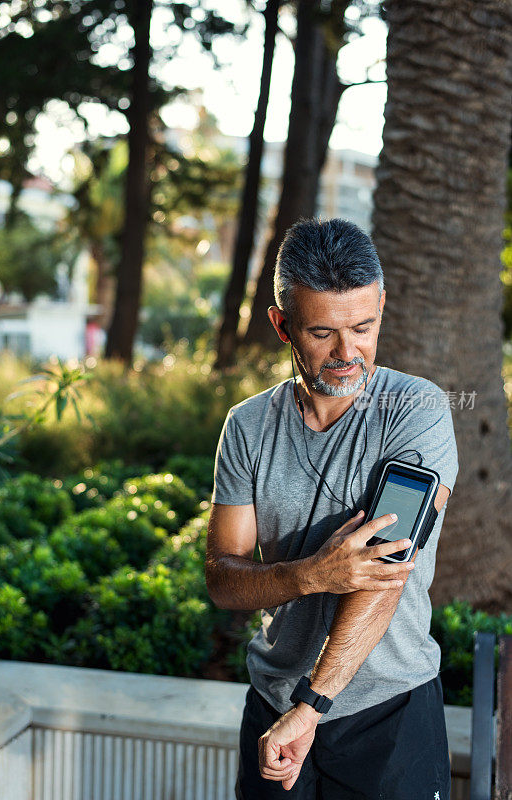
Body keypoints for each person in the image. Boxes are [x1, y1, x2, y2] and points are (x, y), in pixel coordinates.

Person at [206, 218, 458, 800]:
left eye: (364, 327)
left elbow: (384, 574)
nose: (349, 354)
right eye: (323, 333)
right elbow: (223, 578)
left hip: (388, 714)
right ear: (281, 324)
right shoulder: (247, 426)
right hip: (272, 706)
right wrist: (311, 574)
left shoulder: (415, 410)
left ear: (382, 306)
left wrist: (312, 705)